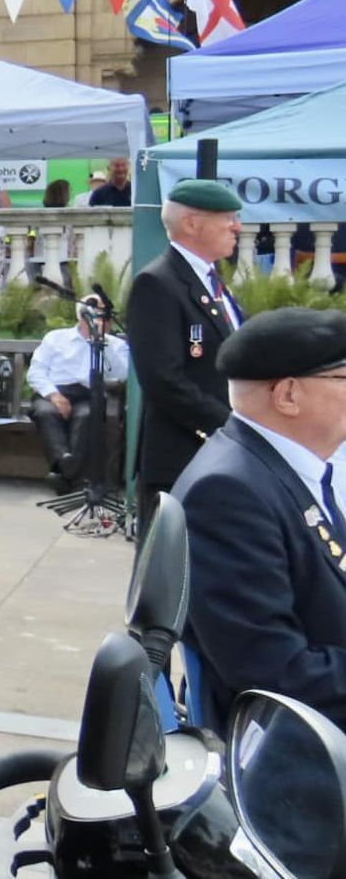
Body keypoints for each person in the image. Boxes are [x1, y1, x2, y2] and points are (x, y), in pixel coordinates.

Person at [177, 307, 346, 730]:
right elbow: (275, 670)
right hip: (298, 744)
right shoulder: (227, 493)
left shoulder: (276, 467)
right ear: (287, 395)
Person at [126, 179, 246, 536]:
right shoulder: (158, 283)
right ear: (193, 224)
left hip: (213, 456)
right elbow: (163, 379)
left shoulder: (213, 282)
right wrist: (231, 427)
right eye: (228, 217)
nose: (237, 226)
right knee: (168, 577)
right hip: (181, 457)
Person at [26, 295, 130, 490]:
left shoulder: (115, 345)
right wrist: (54, 395)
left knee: (86, 416)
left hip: (89, 394)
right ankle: (69, 468)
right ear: (81, 315)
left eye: (102, 313)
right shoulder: (56, 338)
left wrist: (102, 341)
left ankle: (63, 472)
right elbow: (36, 372)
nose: (98, 317)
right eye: (93, 311)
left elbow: (123, 373)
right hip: (54, 391)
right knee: (46, 413)